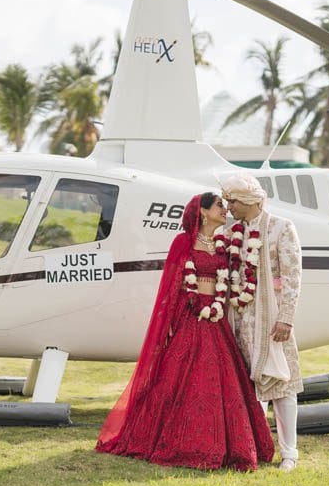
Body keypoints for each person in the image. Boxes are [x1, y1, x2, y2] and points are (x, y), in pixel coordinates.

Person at [96, 192, 274, 471]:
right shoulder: (183, 242)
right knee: (177, 380)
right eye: (218, 206)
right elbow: (171, 286)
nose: (224, 210)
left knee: (221, 380)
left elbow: (234, 278)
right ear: (203, 212)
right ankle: (179, 442)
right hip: (189, 318)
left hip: (216, 321)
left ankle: (228, 446)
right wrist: (170, 324)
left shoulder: (224, 244)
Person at [222, 173, 304, 473]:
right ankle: (254, 448)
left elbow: (293, 277)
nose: (228, 206)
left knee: (281, 383)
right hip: (240, 319)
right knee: (250, 385)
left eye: (232, 200)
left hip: (271, 319)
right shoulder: (233, 232)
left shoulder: (281, 228)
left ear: (247, 201)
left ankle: (289, 453)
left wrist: (286, 318)